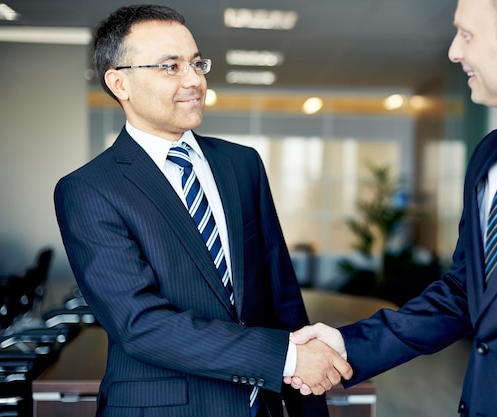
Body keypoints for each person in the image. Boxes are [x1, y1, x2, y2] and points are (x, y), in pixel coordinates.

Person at [286, 0, 497, 415]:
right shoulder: (489, 156)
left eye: (467, 34)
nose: (454, 52)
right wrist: (347, 345)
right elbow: (465, 292)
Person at [54, 4, 350, 417]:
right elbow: (140, 324)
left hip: (258, 406)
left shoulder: (241, 164)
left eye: (197, 63)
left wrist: (307, 406)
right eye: (170, 67)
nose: (194, 80)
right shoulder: (88, 190)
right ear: (119, 82)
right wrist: (285, 359)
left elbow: (280, 298)